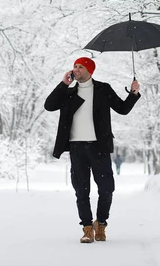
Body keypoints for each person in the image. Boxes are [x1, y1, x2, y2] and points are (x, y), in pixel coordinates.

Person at [44, 57, 140, 243]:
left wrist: (133, 93)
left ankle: (101, 224)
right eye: (75, 66)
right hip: (76, 147)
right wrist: (63, 84)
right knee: (81, 190)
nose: (76, 69)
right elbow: (49, 106)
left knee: (106, 189)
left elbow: (122, 109)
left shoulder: (103, 89)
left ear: (89, 70)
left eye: (80, 66)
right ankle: (87, 229)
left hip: (99, 147)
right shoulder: (68, 93)